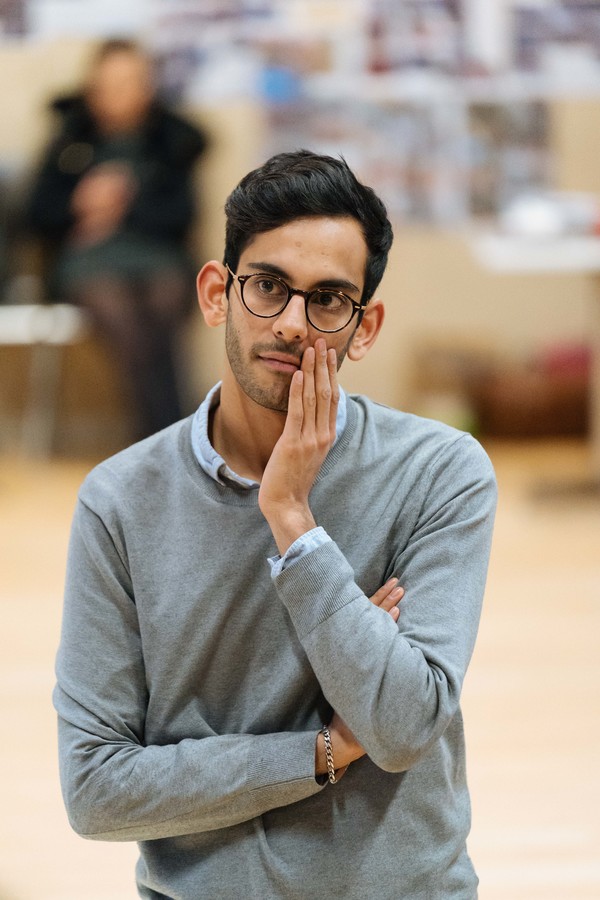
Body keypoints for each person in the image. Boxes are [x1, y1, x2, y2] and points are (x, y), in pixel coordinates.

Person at [54, 150, 497, 899]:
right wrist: (321, 751)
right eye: (267, 287)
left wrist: (293, 518)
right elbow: (96, 790)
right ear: (216, 293)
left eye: (328, 299)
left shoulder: (441, 472)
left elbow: (400, 729)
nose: (293, 324)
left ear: (365, 326)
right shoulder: (120, 501)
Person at [25, 38, 207, 440]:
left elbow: (183, 215)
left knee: (162, 304)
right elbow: (36, 215)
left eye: (131, 82)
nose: (120, 95)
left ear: (148, 86)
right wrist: (80, 204)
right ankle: (174, 439)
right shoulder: (69, 142)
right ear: (93, 89)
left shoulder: (171, 142)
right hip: (90, 262)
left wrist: (123, 205)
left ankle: (165, 440)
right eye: (110, 84)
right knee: (124, 317)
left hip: (158, 257)